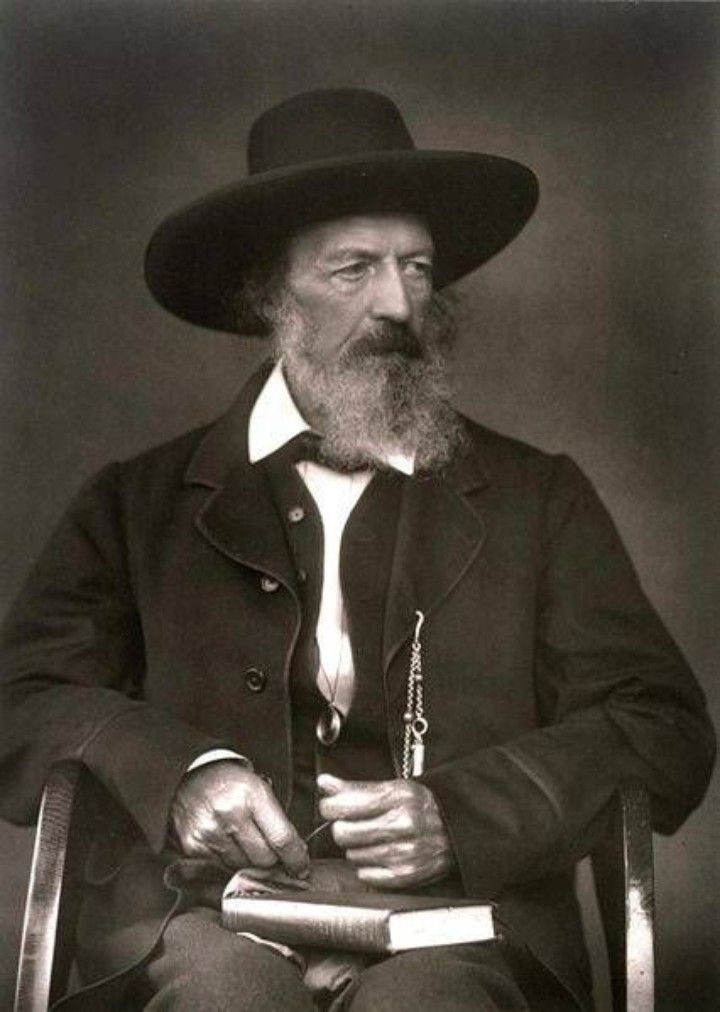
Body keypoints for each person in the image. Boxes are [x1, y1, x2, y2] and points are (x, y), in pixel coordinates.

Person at [1, 89, 715, 1011]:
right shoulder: (132, 504)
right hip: (203, 920)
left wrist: (464, 816)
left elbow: (662, 725)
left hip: (460, 929)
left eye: (416, 267)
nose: (397, 304)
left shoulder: (541, 499)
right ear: (270, 292)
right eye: (353, 269)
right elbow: (22, 698)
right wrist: (179, 773)